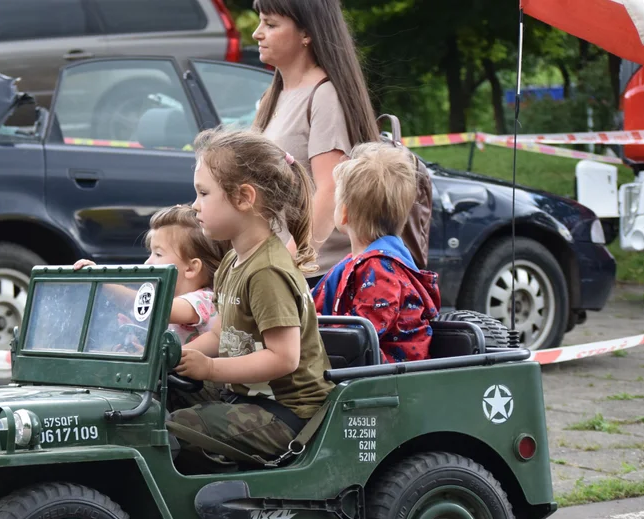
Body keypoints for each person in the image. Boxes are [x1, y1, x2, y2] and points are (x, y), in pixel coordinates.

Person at [169, 128, 333, 471]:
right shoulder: (233, 260)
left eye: (203, 193)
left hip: (286, 414)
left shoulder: (267, 271)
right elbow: (218, 334)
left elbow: (284, 358)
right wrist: (179, 357)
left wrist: (211, 369)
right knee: (158, 396)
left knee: (168, 429)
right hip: (247, 397)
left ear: (244, 198)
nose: (194, 205)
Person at [250, 0, 380, 280]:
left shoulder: (324, 96)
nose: (257, 33)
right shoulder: (272, 98)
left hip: (313, 274)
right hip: (274, 265)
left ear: (306, 34)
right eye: (261, 22)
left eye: (270, 24)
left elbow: (329, 190)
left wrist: (290, 261)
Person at [312, 142, 441, 363]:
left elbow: (362, 334)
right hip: (369, 371)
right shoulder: (361, 264)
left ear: (344, 213)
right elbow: (312, 305)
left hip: (386, 378)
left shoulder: (380, 269)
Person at [75, 204, 224, 345]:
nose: (148, 263)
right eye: (150, 253)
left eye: (158, 254)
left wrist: (103, 282)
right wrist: (136, 335)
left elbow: (153, 308)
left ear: (191, 268)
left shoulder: (203, 300)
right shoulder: (170, 301)